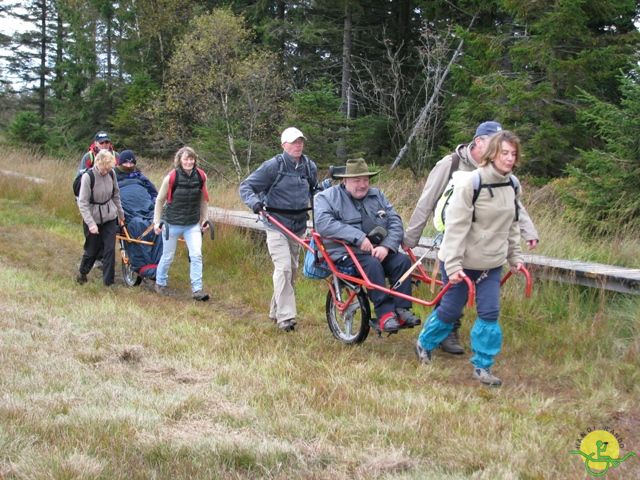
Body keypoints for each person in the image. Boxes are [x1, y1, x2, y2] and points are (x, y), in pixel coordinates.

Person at [404, 121, 538, 355]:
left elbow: (513, 210)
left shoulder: (507, 179)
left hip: (488, 251)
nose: (505, 156)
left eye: (510, 152)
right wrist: (410, 240)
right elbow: (427, 200)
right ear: (479, 143)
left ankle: (482, 362)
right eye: (499, 149)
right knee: (453, 301)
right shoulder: (453, 164)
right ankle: (442, 333)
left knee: (487, 309)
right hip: (454, 236)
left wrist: (529, 233)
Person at [314, 158, 421, 333]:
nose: (363, 185)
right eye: (357, 180)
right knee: (372, 265)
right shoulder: (326, 198)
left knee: (401, 261)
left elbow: (395, 221)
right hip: (344, 252)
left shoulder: (377, 195)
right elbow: (324, 224)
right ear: (345, 180)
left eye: (366, 180)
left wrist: (386, 247)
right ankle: (385, 314)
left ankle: (402, 310)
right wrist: (359, 238)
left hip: (376, 250)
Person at [239, 127, 324, 332]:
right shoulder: (273, 166)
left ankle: (275, 310)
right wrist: (256, 204)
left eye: (301, 141)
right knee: (284, 267)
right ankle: (286, 317)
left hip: (298, 226)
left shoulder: (309, 166)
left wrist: (322, 200)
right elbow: (246, 187)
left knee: (291, 271)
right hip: (275, 224)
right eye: (294, 142)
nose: (298, 145)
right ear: (283, 145)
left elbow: (315, 189)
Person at [153, 146, 210, 301]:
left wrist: (204, 219)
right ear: (180, 160)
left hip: (192, 224)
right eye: (186, 159)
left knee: (196, 255)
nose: (189, 162)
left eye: (191, 159)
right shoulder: (171, 178)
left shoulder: (201, 177)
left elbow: (204, 200)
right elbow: (159, 200)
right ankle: (160, 282)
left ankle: (197, 289)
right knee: (168, 256)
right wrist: (156, 222)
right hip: (171, 223)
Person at [76, 150, 125, 286]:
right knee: (92, 250)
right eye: (104, 168)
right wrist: (91, 224)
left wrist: (121, 214)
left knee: (109, 250)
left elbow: (116, 195)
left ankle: (108, 283)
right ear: (97, 163)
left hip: (109, 217)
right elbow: (83, 203)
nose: (106, 171)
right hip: (92, 218)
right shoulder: (88, 177)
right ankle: (83, 272)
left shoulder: (111, 173)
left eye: (108, 168)